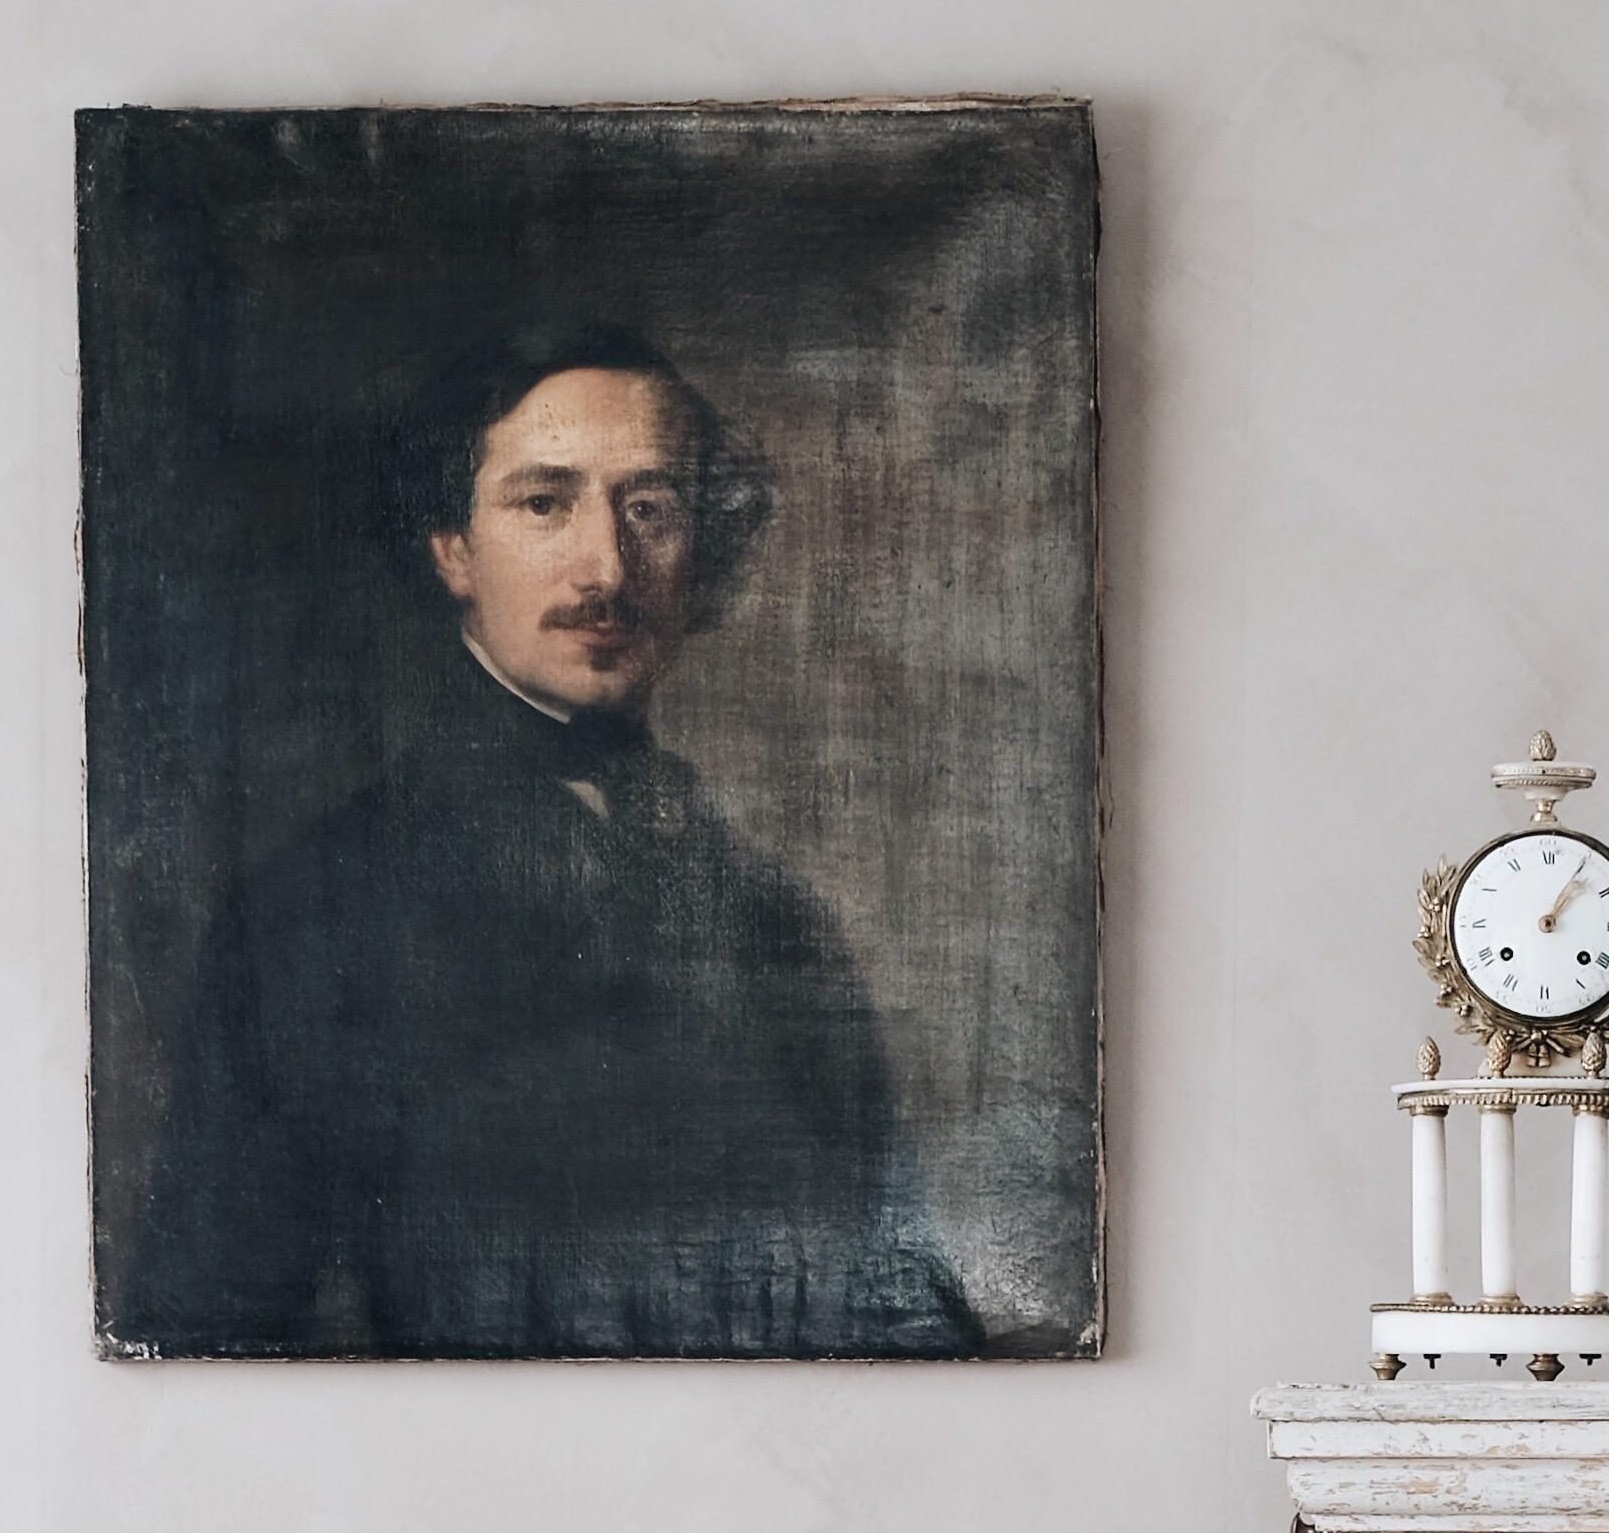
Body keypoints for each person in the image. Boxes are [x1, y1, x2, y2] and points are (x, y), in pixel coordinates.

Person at [118, 322, 979, 1358]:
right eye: (545, 502)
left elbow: (898, 1297)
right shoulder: (313, 913)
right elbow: (216, 1332)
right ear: (452, 551)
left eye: (651, 507)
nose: (607, 564)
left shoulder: (769, 916)